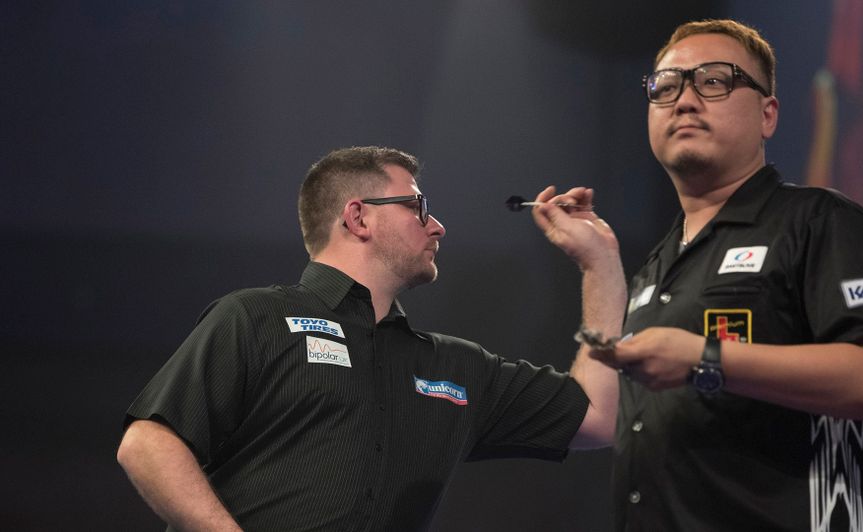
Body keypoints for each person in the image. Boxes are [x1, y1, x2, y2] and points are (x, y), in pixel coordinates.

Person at [116, 146, 623, 531]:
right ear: (358, 217)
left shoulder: (456, 367)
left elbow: (599, 417)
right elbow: (148, 443)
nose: (438, 227)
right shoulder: (255, 317)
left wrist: (599, 263)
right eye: (418, 206)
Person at [581, 19, 863, 531]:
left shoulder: (819, 221)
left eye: (714, 81)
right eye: (666, 86)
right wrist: (597, 260)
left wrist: (705, 358)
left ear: (768, 115)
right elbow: (603, 419)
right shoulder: (657, 264)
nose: (684, 100)